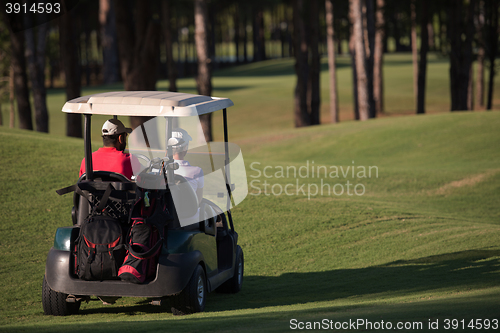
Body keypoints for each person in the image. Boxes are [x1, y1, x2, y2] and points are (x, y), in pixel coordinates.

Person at [170, 128, 204, 203]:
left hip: (164, 213)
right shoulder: (197, 172)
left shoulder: (157, 170)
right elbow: (198, 200)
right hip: (190, 214)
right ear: (185, 147)